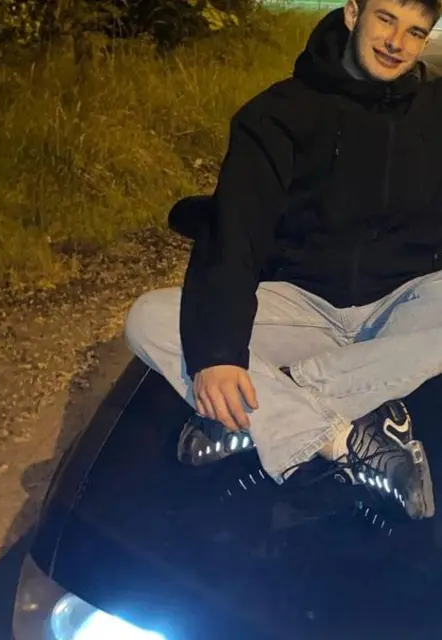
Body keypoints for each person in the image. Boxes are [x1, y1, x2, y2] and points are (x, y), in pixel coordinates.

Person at [125, 0, 442, 521]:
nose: (396, 43)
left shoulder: (435, 112)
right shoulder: (277, 114)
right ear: (353, 13)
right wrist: (218, 355)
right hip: (304, 307)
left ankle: (272, 402)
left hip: (400, 309)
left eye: (414, 31)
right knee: (148, 318)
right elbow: (235, 235)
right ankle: (342, 439)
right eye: (385, 19)